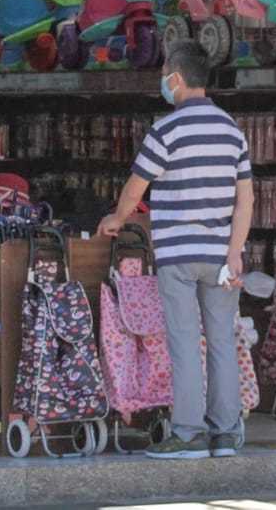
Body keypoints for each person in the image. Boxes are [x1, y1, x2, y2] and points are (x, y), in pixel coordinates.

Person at [99, 40, 253, 461]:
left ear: (178, 78)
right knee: (222, 340)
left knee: (185, 343)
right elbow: (246, 200)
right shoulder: (231, 131)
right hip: (222, 255)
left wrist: (117, 217)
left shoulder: (165, 130)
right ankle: (225, 433)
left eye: (165, 72)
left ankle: (187, 435)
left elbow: (137, 185)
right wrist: (235, 252)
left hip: (178, 255)